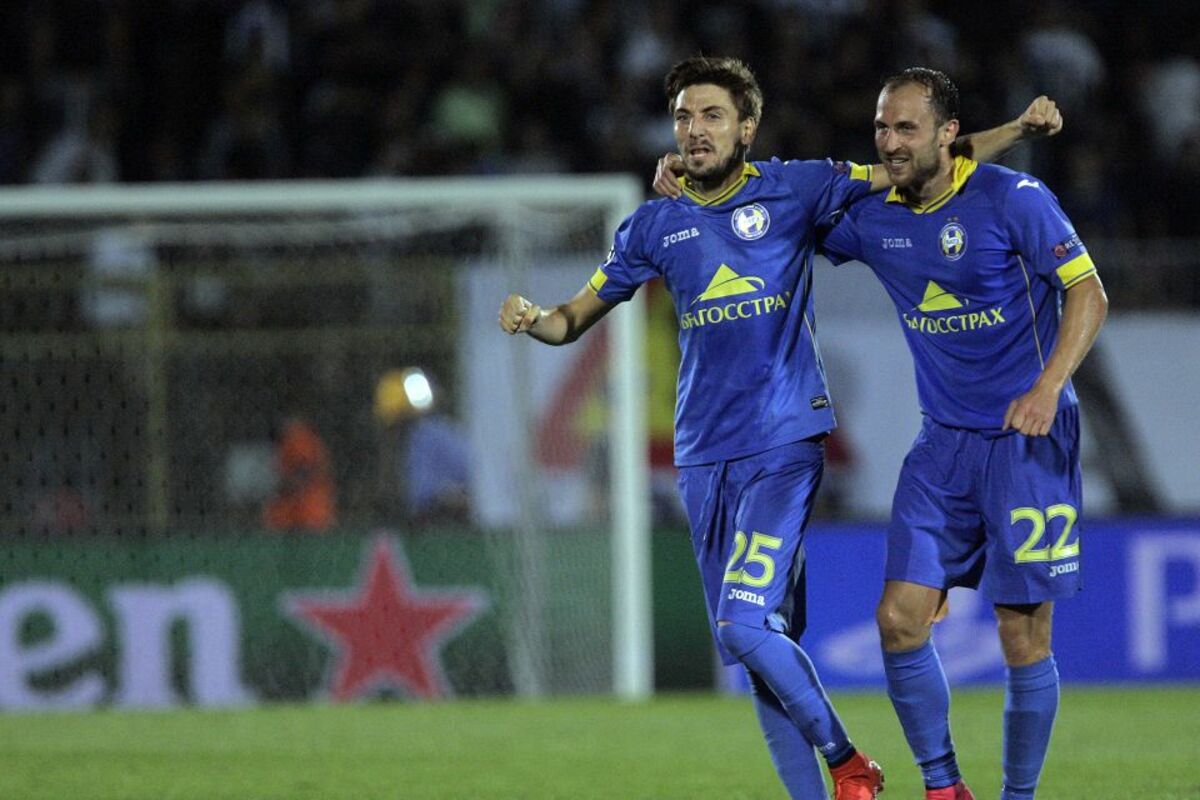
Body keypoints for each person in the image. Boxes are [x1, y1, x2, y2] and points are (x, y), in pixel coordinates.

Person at [500, 56, 1044, 800]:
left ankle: (849, 764)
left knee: (742, 623)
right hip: (701, 457)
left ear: (747, 127)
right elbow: (572, 319)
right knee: (758, 652)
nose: (695, 130)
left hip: (783, 444)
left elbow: (918, 163)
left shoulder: (798, 187)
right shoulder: (653, 224)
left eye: (712, 115)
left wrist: (1016, 129)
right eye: (684, 117)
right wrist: (534, 318)